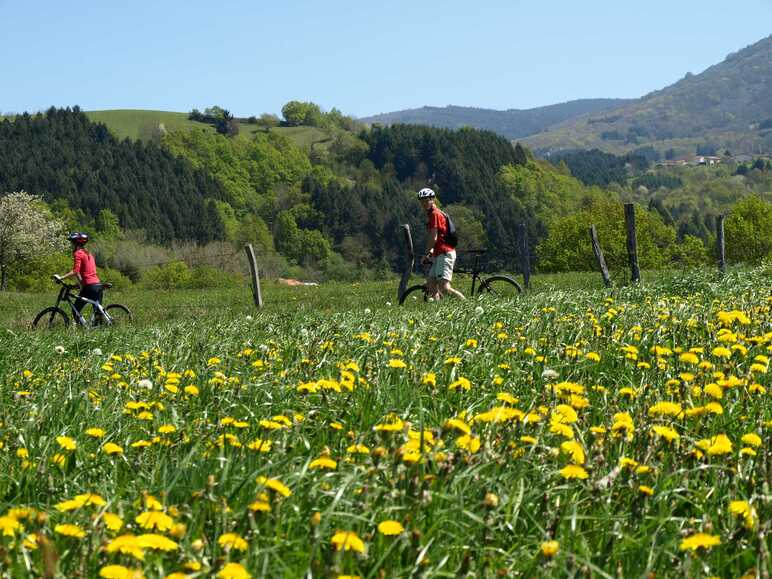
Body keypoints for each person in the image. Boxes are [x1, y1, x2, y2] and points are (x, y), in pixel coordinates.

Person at [417, 188, 465, 300]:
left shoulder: (435, 214)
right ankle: (438, 310)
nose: (424, 203)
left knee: (444, 288)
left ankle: (469, 306)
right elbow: (439, 238)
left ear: (433, 200)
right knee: (431, 283)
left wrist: (426, 253)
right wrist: (432, 252)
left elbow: (433, 237)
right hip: (439, 254)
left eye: (427, 200)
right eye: (422, 201)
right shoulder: (433, 214)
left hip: (445, 254)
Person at [54, 232, 103, 316]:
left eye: (72, 243)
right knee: (98, 313)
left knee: (75, 311)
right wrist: (81, 283)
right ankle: (98, 328)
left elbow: (75, 271)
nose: (71, 245)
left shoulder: (78, 253)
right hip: (97, 285)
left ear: (76, 243)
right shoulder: (88, 254)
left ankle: (82, 329)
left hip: (89, 287)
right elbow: (87, 272)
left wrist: (61, 278)